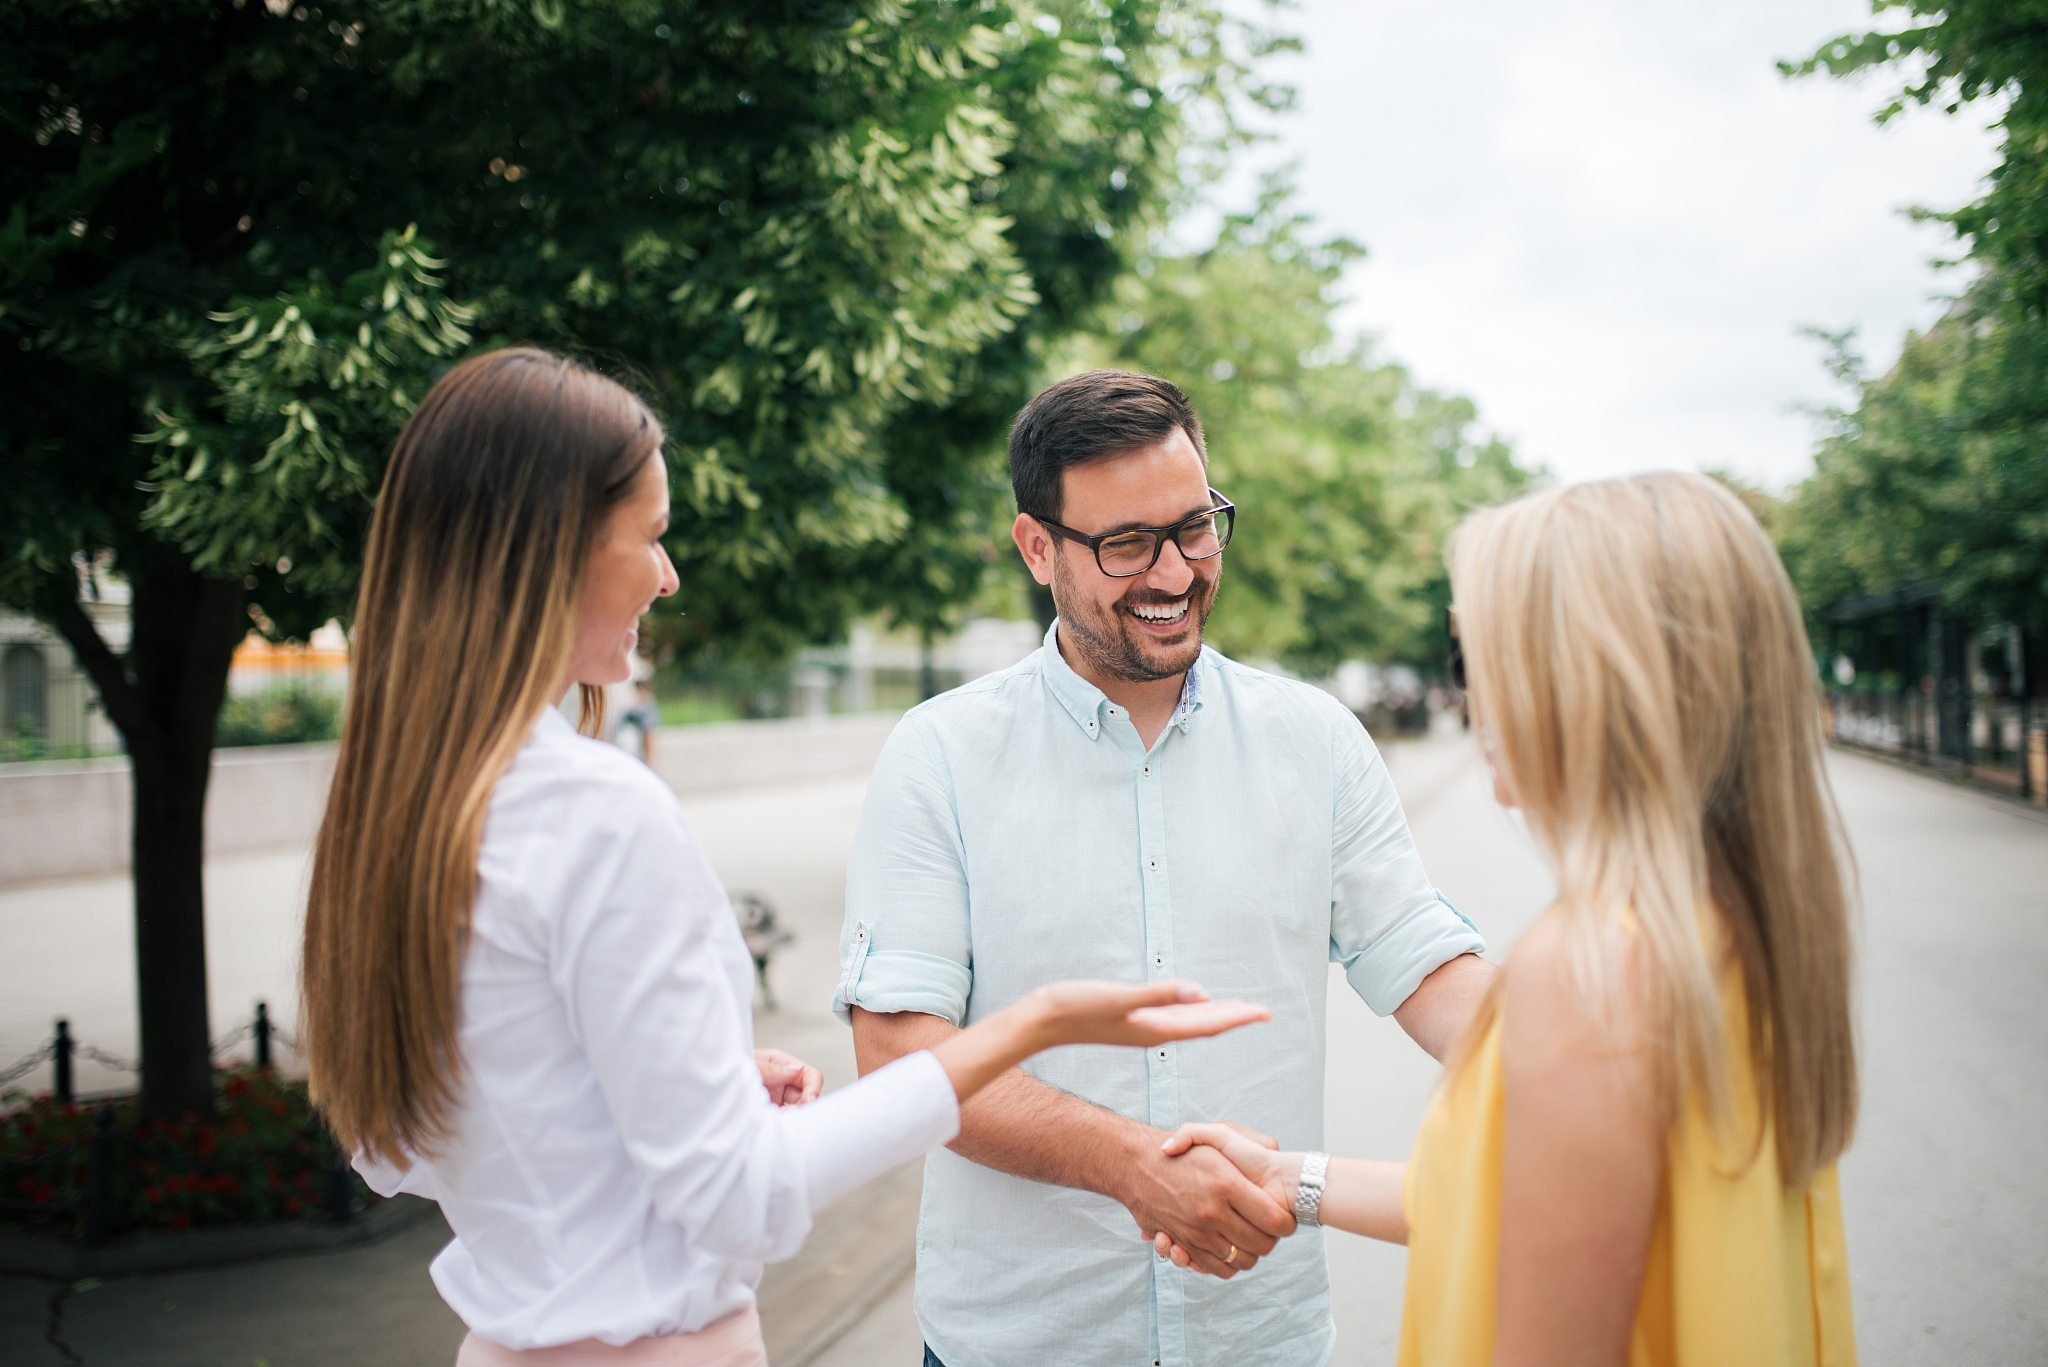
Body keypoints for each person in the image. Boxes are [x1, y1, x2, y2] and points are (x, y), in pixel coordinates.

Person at [297, 348, 1271, 1366]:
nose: (666, 576)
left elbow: (397, 1149)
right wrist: (1030, 1023)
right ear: (553, 553)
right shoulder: (597, 809)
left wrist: (685, 1083)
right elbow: (744, 1197)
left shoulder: (403, 803)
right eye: (652, 536)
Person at [834, 370, 1495, 1367]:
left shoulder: (1314, 738)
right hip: (1019, 1340)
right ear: (1035, 547)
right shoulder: (939, 754)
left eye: (1194, 527)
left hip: (1258, 1337)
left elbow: (1425, 964)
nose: (1174, 572)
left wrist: (1588, 1057)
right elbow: (899, 1055)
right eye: (1125, 543)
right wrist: (1127, 1164)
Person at [1158, 473, 1859, 1366]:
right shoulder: (1728, 927)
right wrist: (1293, 1179)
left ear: (1584, 680)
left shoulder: (1588, 971)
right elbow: (1543, 1202)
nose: (1472, 694)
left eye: (1479, 655)